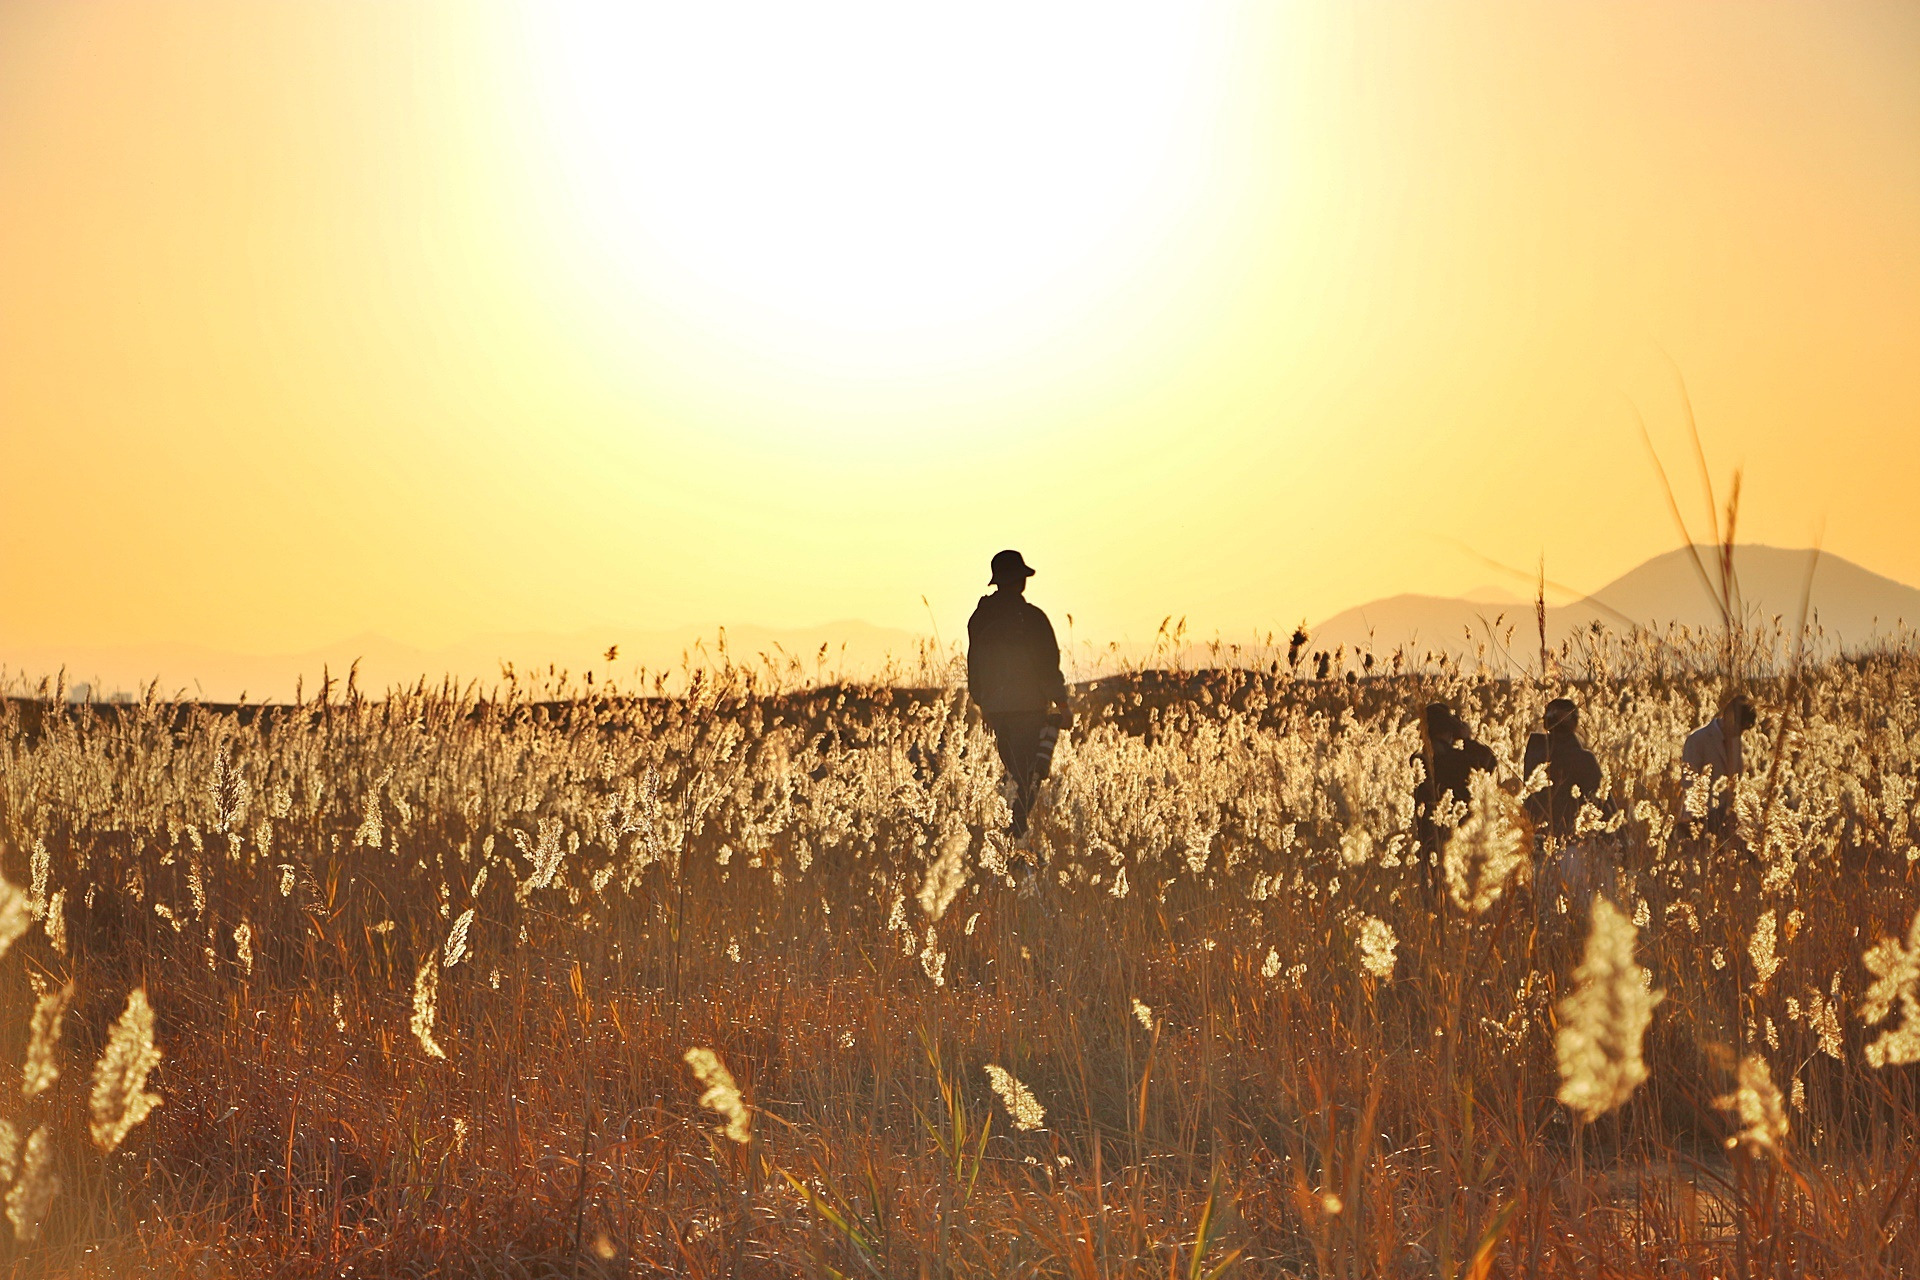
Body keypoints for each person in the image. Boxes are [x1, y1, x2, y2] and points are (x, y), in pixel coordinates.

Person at [967, 550, 1071, 839]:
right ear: (1020, 581)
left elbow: (974, 664)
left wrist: (983, 703)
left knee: (1015, 772)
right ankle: (1014, 833)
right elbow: (1048, 665)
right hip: (1028, 709)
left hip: (996, 710)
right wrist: (1062, 704)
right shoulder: (1032, 618)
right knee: (1029, 774)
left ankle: (1010, 832)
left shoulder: (980, 618)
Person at [1411, 702, 1499, 900]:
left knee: (1431, 895)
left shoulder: (1417, 760)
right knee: (1457, 897)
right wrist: (1467, 739)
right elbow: (1489, 762)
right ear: (1449, 731)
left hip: (1427, 839)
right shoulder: (1458, 760)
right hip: (1457, 841)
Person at [1522, 697, 1606, 845]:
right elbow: (1602, 804)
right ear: (1574, 724)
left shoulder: (1535, 752)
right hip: (1573, 843)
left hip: (1536, 841)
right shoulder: (1583, 759)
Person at [1682, 691, 1755, 845]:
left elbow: (1737, 781)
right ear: (1729, 717)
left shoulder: (1736, 741)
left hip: (1726, 825)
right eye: (1739, 727)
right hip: (1700, 822)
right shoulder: (1697, 739)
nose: (1740, 733)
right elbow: (1689, 784)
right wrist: (1699, 820)